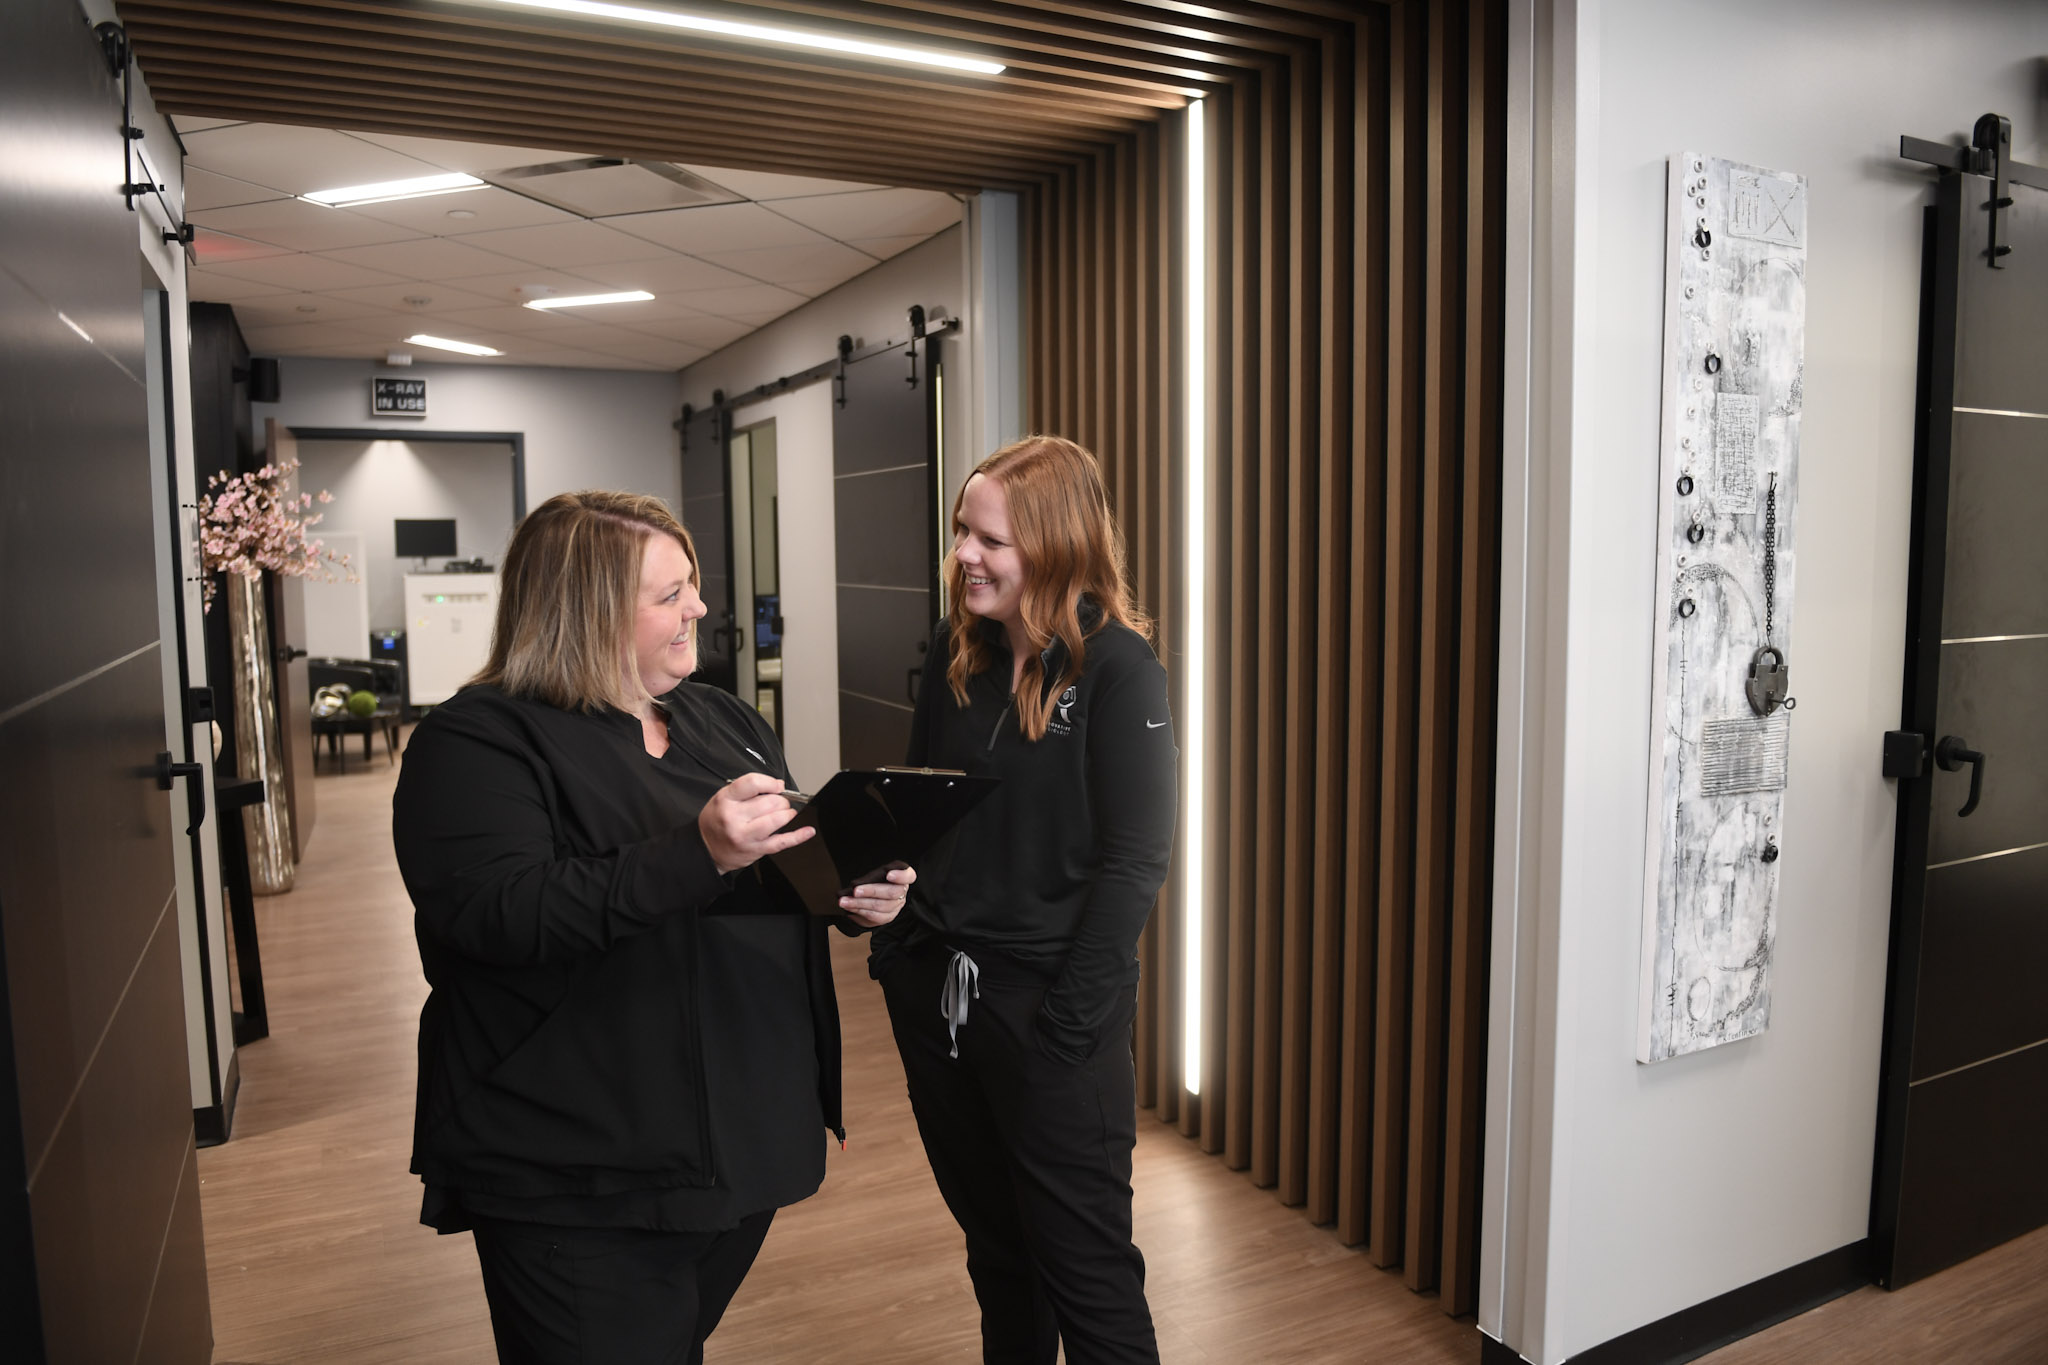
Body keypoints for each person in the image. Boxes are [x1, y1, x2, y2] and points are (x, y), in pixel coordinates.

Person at [392, 490, 912, 1365]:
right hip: (578, 1168)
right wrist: (698, 851)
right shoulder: (476, 742)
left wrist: (852, 895)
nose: (699, 607)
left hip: (740, 1147)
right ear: (588, 611)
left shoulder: (724, 719)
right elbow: (496, 914)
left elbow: (781, 865)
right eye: (671, 594)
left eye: (692, 585)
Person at [871, 436, 1177, 1365]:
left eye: (989, 539)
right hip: (941, 1000)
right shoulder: (957, 651)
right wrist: (890, 932)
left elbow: (1135, 861)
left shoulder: (1118, 667)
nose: (963, 553)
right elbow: (920, 811)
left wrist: (1066, 1027)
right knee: (998, 1256)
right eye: (961, 530)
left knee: (1087, 1275)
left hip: (1050, 1013)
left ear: (1052, 544)